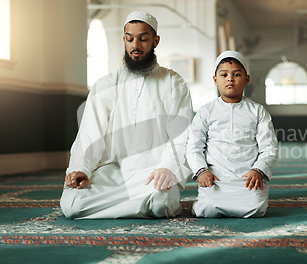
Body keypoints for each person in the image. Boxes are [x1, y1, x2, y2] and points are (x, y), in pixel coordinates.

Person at [60, 11, 193, 219]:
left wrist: (168, 168)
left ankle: (127, 205)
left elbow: (181, 135)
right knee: (72, 205)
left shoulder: (174, 83)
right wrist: (80, 169)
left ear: (155, 41)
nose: (135, 46)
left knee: (162, 204)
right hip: (113, 173)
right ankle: (139, 206)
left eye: (143, 39)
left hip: (154, 173)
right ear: (124, 40)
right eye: (129, 39)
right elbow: (89, 135)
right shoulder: (104, 85)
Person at [186, 51, 278, 218]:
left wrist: (258, 170)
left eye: (236, 74)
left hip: (248, 177)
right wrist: (202, 171)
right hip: (216, 177)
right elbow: (194, 146)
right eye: (224, 74)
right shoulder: (206, 111)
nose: (230, 78)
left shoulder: (257, 111)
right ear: (215, 80)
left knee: (256, 208)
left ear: (246, 80)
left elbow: (269, 147)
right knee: (207, 208)